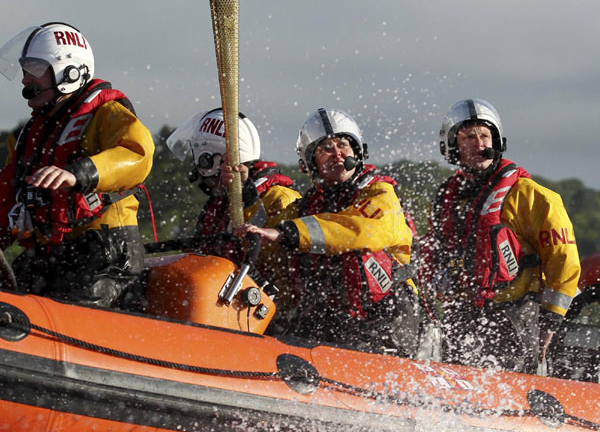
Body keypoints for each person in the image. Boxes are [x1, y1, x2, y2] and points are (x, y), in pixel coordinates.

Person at [234, 108, 419, 356]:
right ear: (310, 163)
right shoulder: (307, 207)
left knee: (347, 250)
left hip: (385, 322)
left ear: (357, 152)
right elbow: (266, 239)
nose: (337, 154)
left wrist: (286, 233)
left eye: (343, 145)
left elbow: (359, 229)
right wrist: (246, 193)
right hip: (330, 325)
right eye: (325, 149)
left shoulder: (380, 193)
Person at [0, 22, 154, 308]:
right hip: (52, 252)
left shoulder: (106, 114)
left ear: (69, 72)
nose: (25, 81)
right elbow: (8, 191)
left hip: (105, 250)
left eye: (34, 69)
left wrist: (78, 173)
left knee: (68, 310)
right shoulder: (30, 136)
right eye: (24, 71)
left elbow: (138, 154)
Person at [420, 98, 580, 374]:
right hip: (462, 313)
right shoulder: (447, 198)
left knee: (512, 387)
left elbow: (563, 259)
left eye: (485, 135)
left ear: (497, 141)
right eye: (468, 137)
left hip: (516, 314)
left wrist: (550, 324)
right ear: (452, 146)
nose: (479, 144)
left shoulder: (530, 195)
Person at [167, 107, 301, 270]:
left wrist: (246, 195)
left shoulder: (282, 198)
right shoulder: (220, 204)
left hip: (259, 293)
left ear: (213, 161)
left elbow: (277, 257)